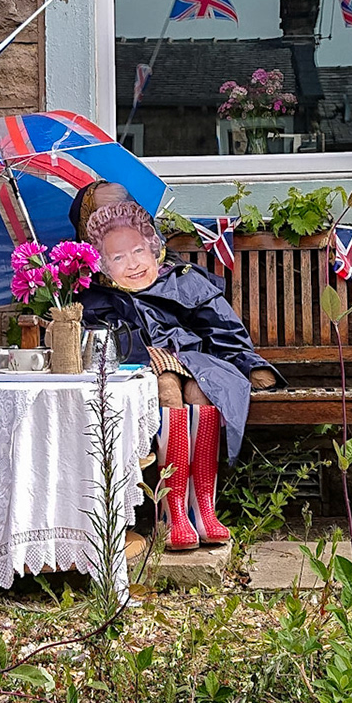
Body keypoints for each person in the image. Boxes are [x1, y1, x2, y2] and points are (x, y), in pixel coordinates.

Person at [77, 199, 281, 551]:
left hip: (196, 359)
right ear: (102, 263)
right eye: (118, 258)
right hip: (140, 367)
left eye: (138, 250)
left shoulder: (183, 279)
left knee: (206, 391)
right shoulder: (97, 295)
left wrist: (249, 364)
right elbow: (101, 345)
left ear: (153, 246)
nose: (133, 263)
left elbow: (224, 329)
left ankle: (203, 509)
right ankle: (172, 514)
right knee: (168, 389)